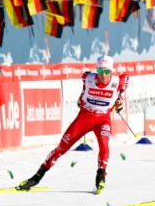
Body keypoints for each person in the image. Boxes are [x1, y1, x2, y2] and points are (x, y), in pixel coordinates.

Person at [17, 55, 128, 193]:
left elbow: (126, 81)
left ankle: (101, 174)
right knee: (62, 147)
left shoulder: (119, 81)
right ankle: (37, 176)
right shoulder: (87, 78)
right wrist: (81, 97)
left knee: (104, 144)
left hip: (103, 119)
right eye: (100, 71)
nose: (103, 75)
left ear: (111, 71)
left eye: (106, 72)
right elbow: (83, 90)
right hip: (85, 117)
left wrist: (120, 99)